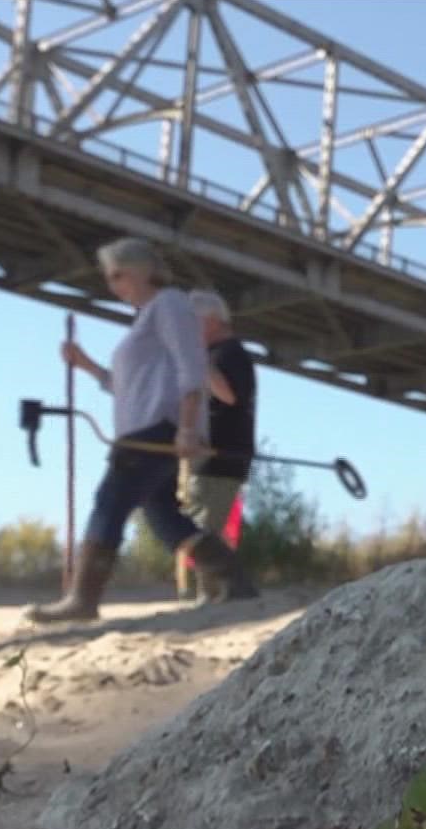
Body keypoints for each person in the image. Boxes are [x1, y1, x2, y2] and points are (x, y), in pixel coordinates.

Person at [26, 237, 256, 623]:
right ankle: (234, 580)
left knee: (109, 502)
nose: (115, 285)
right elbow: (131, 385)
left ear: (143, 269)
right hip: (149, 425)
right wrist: (87, 366)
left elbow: (190, 364)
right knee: (164, 515)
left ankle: (83, 599)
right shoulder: (150, 317)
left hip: (155, 429)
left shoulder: (169, 305)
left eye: (120, 274)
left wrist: (187, 426)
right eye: (109, 278)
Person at [176, 289, 257, 603]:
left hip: (221, 457)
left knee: (203, 526)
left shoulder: (230, 354)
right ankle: (211, 591)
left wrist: (198, 362)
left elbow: (229, 394)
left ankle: (214, 592)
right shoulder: (218, 355)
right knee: (202, 522)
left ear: (209, 320)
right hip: (209, 457)